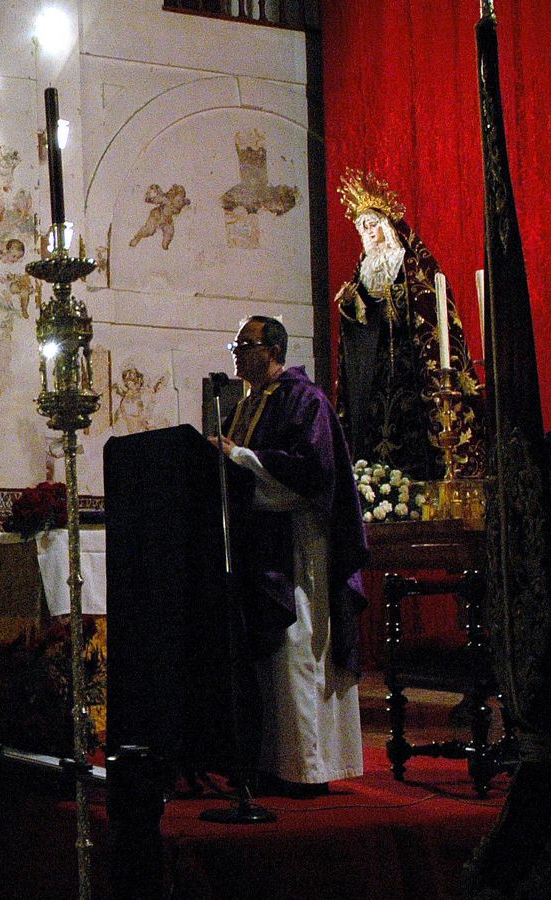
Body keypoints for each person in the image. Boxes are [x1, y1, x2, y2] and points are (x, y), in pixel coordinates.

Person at [210, 316, 370, 795]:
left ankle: (308, 768)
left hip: (299, 547)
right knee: (269, 659)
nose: (237, 353)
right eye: (235, 345)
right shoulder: (244, 406)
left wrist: (240, 458)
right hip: (260, 547)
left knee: (299, 650)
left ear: (274, 349)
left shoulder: (306, 400)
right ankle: (270, 761)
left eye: (246, 344)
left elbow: (314, 475)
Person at [334, 169, 483, 481]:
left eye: (372, 224)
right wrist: (350, 305)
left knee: (415, 425)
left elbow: (429, 303)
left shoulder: (410, 263)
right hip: (376, 370)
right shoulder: (365, 268)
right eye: (362, 227)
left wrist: (399, 301)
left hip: (410, 364)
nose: (367, 232)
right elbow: (359, 320)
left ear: (387, 225)